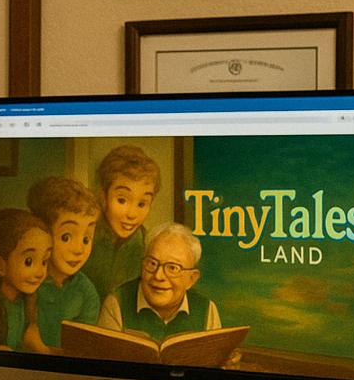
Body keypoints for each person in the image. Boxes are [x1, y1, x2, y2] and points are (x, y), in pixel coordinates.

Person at [97, 222, 221, 340]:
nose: (158, 276)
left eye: (173, 268)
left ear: (191, 279)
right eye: (152, 263)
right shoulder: (117, 303)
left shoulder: (207, 310)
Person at [24, 177, 100, 352]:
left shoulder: (87, 292)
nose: (79, 249)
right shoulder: (27, 281)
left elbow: (82, 353)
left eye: (86, 239)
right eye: (66, 237)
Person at [81, 145, 160, 301]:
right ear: (104, 198)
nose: (132, 214)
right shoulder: (84, 238)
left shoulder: (149, 248)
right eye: (122, 200)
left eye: (142, 204)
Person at [0, 208, 52, 351]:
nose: (40, 272)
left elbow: (30, 334)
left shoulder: (26, 301)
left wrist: (42, 350)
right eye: (29, 261)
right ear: (0, 265)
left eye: (44, 261)